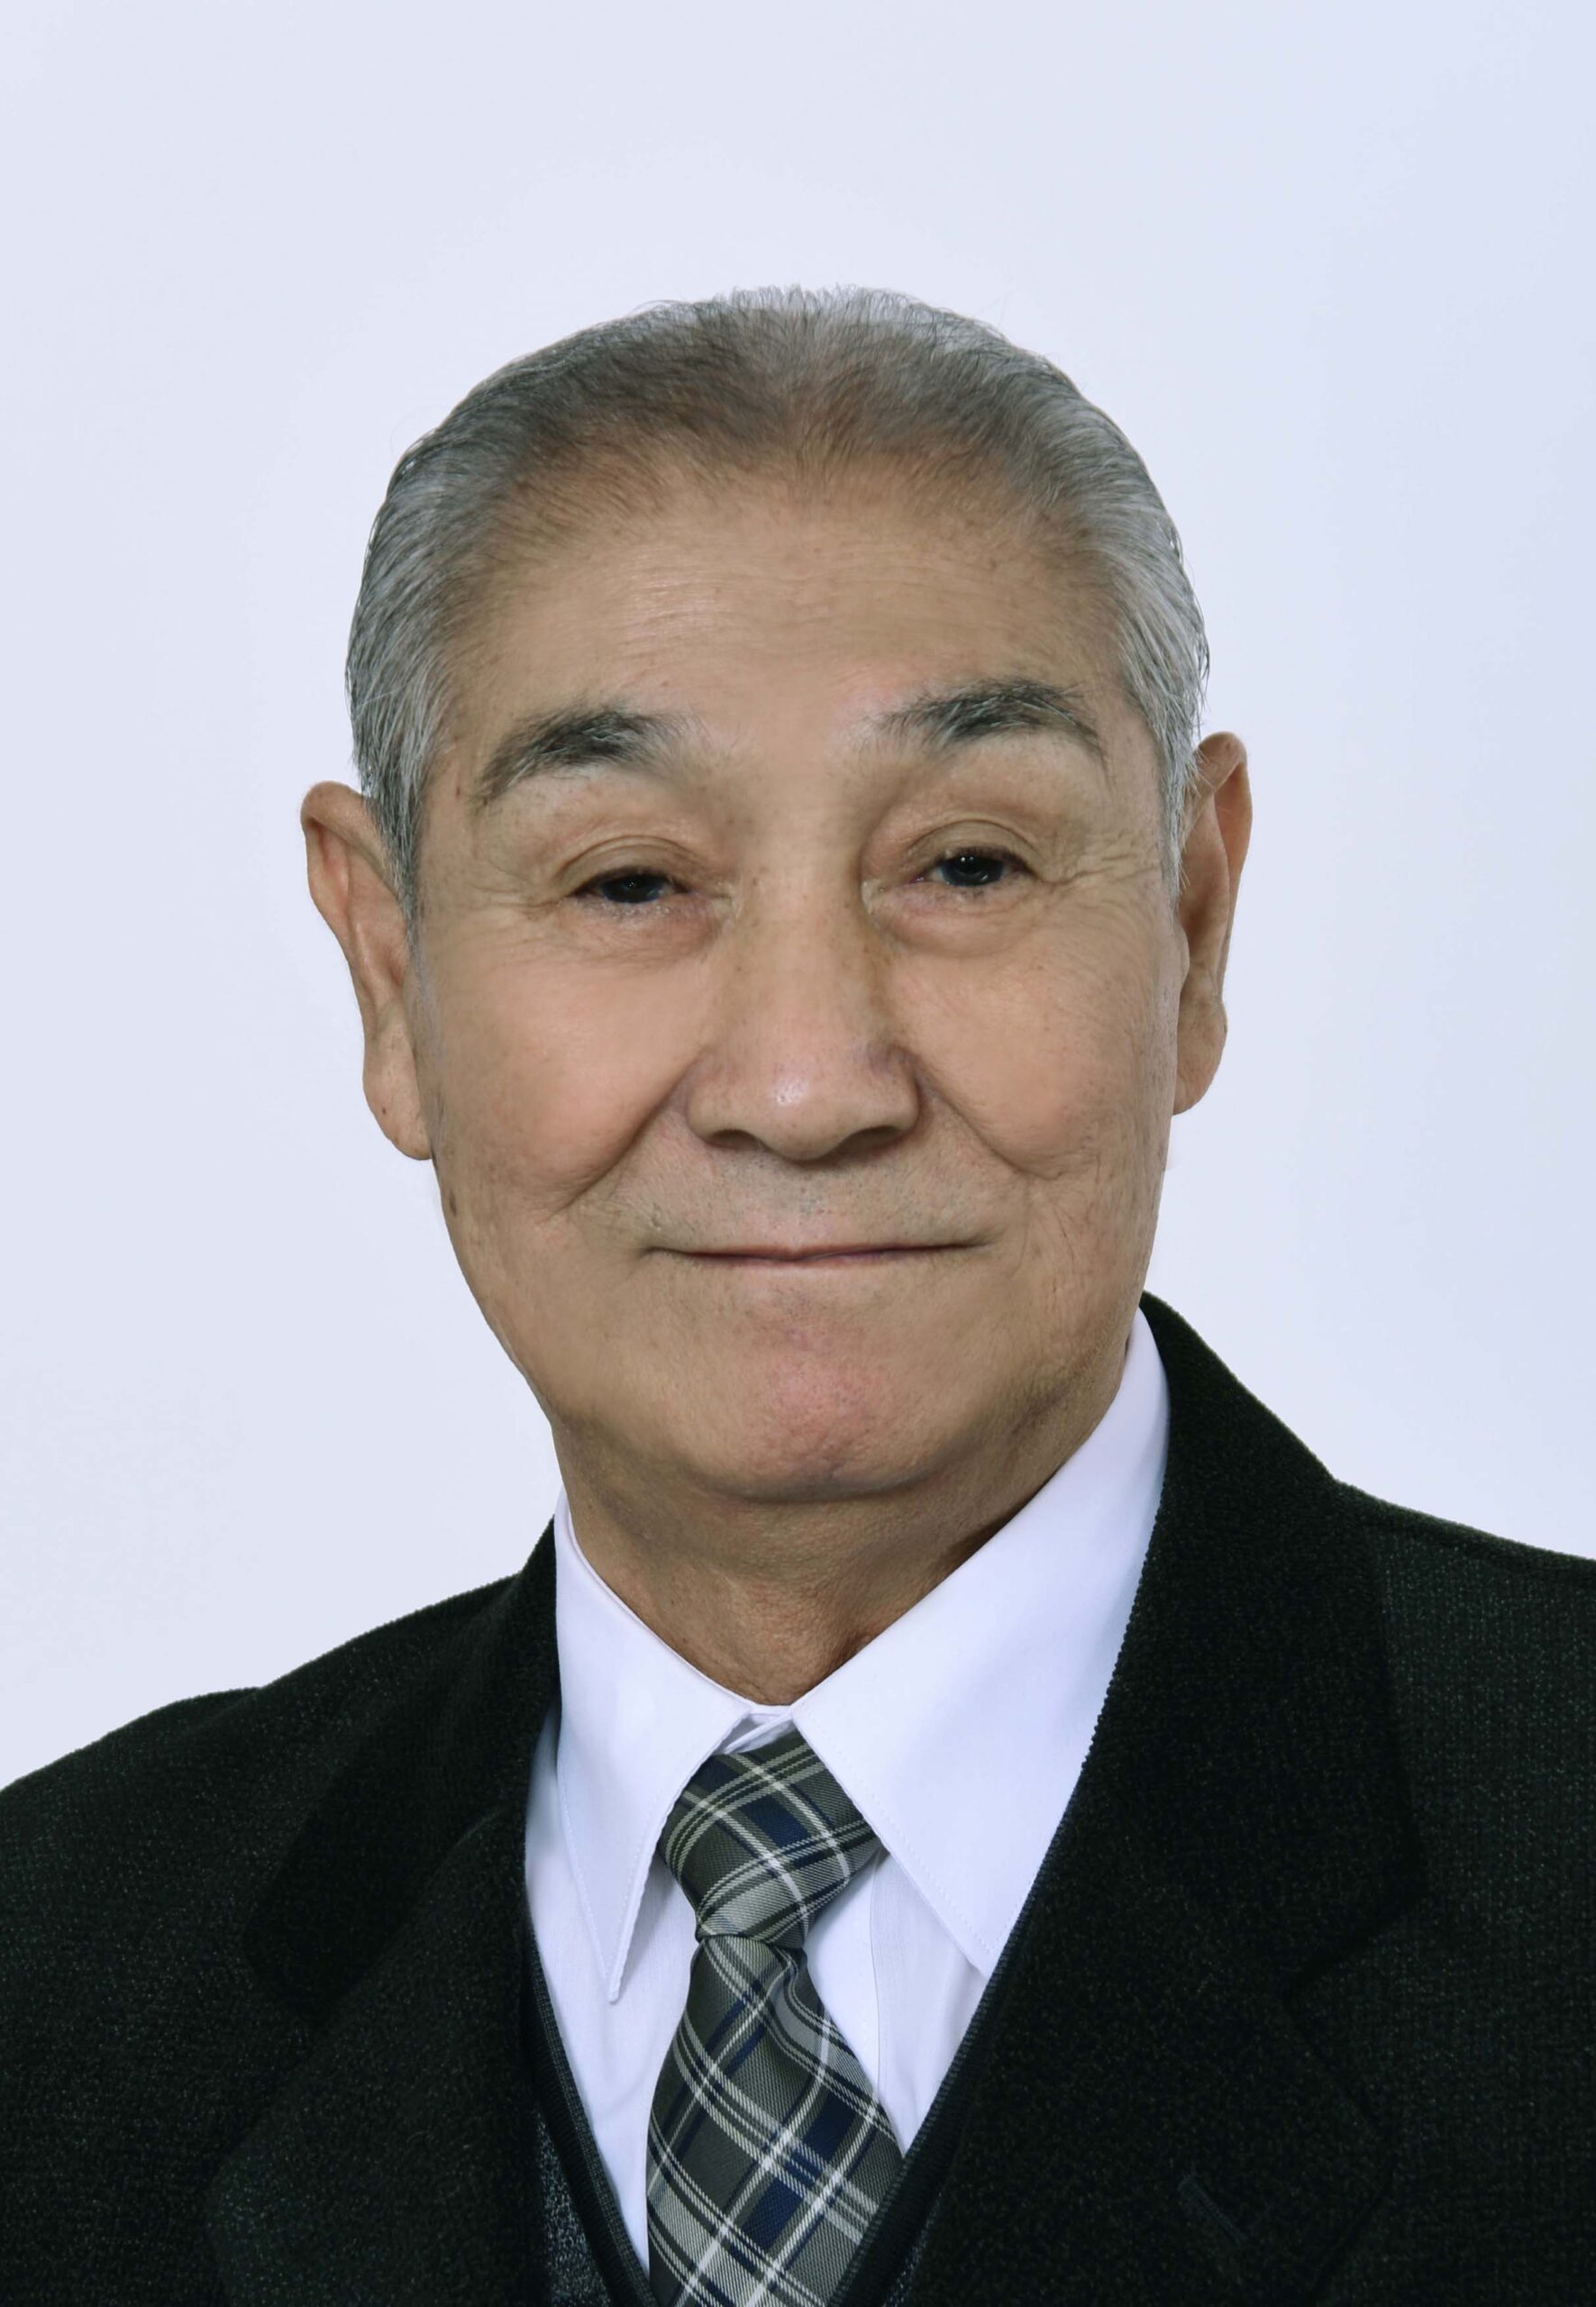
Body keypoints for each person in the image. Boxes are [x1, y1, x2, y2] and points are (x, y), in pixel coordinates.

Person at [3, 287, 1591, 2307]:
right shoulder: (58, 1969)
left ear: (1193, 925)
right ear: (390, 973)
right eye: (629, 883)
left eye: (968, 867)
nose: (808, 1082)